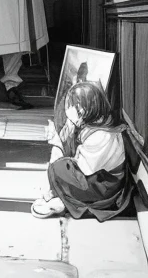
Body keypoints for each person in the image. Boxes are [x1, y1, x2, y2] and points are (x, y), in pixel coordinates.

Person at [32, 81, 132, 219]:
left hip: (105, 185)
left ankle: (66, 201)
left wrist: (61, 148)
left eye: (72, 105)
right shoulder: (97, 123)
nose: (68, 109)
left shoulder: (101, 136)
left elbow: (85, 169)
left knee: (58, 168)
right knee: (60, 166)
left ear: (84, 108)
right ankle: (59, 195)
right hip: (98, 176)